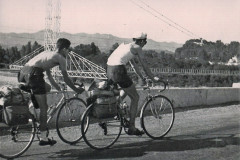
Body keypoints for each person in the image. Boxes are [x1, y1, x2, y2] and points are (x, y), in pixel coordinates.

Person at [18, 38, 84, 145]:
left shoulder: (47, 53)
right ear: (64, 49)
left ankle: (33, 110)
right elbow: (66, 78)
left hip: (22, 73)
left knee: (47, 88)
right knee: (44, 108)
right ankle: (44, 138)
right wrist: (76, 89)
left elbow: (48, 75)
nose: (68, 52)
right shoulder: (61, 58)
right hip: (34, 76)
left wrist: (57, 88)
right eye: (68, 50)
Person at [107, 32, 160, 136]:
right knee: (135, 97)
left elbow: (134, 65)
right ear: (141, 41)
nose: (145, 44)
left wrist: (141, 77)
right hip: (118, 70)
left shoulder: (125, 46)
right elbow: (144, 64)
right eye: (145, 41)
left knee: (129, 87)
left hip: (109, 69)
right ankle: (132, 127)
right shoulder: (137, 47)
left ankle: (116, 110)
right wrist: (153, 78)